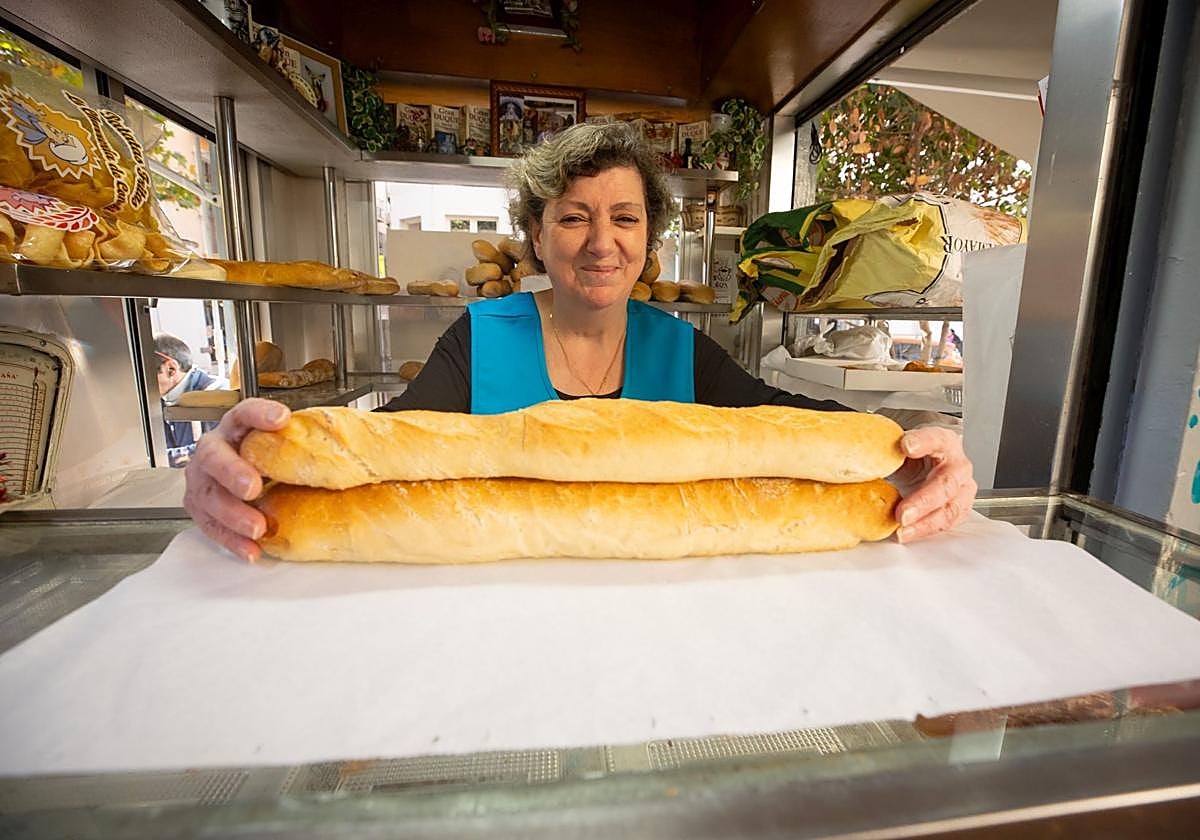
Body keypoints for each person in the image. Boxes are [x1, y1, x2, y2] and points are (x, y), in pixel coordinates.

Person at [184, 123, 977, 561]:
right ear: (535, 234)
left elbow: (795, 423)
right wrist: (243, 457)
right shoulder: (482, 336)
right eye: (573, 216)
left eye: (624, 218)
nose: (602, 242)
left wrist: (918, 448)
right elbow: (383, 443)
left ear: (649, 238)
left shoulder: (682, 351)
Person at [154, 333, 225, 468]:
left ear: (171, 369)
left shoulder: (218, 396)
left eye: (143, 374)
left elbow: (219, 450)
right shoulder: (159, 401)